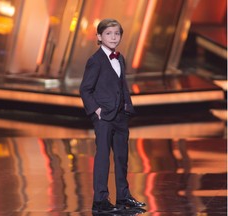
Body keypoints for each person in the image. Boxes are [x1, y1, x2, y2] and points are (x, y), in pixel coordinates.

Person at [79, 18, 146, 213]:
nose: (113, 37)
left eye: (116, 34)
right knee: (103, 158)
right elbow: (85, 89)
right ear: (99, 37)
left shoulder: (120, 58)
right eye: (108, 34)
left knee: (122, 158)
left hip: (120, 116)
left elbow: (121, 84)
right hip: (104, 117)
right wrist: (96, 111)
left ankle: (123, 197)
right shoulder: (95, 60)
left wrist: (127, 106)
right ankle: (100, 201)